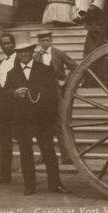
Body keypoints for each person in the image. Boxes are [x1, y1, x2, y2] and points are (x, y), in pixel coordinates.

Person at [5, 35, 69, 195]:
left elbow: (53, 97)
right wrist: (14, 93)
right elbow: (5, 94)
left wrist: (52, 118)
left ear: (32, 51)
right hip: (22, 121)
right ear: (16, 53)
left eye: (26, 51)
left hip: (42, 120)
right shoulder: (12, 73)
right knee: (26, 154)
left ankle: (56, 184)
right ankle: (30, 185)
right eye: (20, 52)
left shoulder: (45, 69)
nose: (23, 54)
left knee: (49, 153)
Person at [33, 31, 77, 164]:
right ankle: (45, 155)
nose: (45, 43)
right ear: (39, 42)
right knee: (42, 123)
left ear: (51, 40)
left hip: (56, 90)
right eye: (42, 41)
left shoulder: (59, 53)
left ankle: (67, 156)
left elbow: (75, 67)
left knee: (59, 122)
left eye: (47, 40)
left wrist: (65, 80)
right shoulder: (35, 56)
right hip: (41, 92)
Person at [0, 34, 16, 185]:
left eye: (8, 43)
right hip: (3, 109)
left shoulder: (20, 60)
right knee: (5, 142)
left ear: (13, 44)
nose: (5, 46)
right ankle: (5, 175)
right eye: (3, 44)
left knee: (24, 139)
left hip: (18, 107)